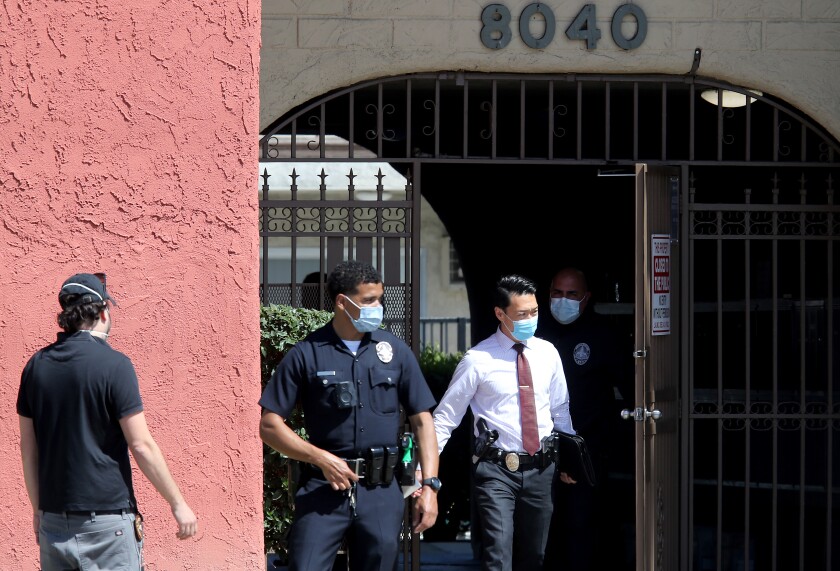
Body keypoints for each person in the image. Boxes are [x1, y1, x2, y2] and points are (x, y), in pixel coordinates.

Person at [259, 259, 439, 571]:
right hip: (323, 489)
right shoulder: (307, 353)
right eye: (369, 300)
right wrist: (319, 458)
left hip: (381, 491)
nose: (378, 306)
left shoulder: (395, 351)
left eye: (380, 298)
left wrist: (431, 486)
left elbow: (422, 420)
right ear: (343, 302)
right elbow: (269, 425)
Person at [17, 272, 198, 571]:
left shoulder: (35, 366)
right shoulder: (115, 365)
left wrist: (38, 510)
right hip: (107, 525)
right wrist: (178, 503)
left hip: (53, 521)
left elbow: (28, 448)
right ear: (102, 312)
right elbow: (141, 444)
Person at [433, 274, 576, 571]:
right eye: (521, 314)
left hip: (542, 468)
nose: (530, 319)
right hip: (496, 470)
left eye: (534, 312)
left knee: (534, 558)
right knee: (498, 556)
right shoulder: (477, 360)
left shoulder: (548, 353)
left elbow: (560, 409)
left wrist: (571, 457)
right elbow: (446, 418)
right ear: (500, 313)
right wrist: (425, 471)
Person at [539, 267, 634, 571]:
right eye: (557, 293)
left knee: (581, 530)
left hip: (587, 450)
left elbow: (634, 392)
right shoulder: (536, 332)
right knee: (542, 531)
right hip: (540, 449)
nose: (562, 300)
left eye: (571, 295)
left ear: (587, 297)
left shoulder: (603, 336)